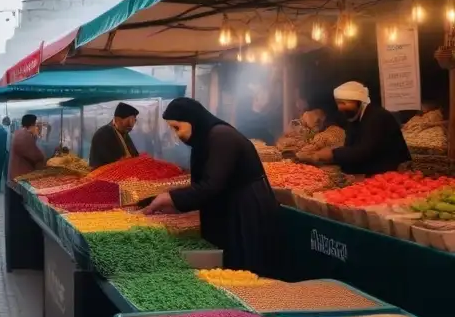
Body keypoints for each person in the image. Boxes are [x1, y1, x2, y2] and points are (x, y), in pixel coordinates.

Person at [143, 98, 278, 275]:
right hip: (231, 202)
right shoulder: (205, 139)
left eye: (177, 127)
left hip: (245, 207)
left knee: (244, 264)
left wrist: (171, 197)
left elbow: (211, 185)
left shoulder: (222, 136)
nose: (177, 135)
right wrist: (178, 205)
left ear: (192, 119)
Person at [307, 81, 411, 175]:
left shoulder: (377, 117)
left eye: (343, 103)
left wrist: (333, 154)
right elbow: (351, 147)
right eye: (338, 103)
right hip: (369, 169)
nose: (340, 108)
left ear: (358, 102)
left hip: (389, 173)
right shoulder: (354, 117)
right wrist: (330, 158)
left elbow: (364, 151)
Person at [89, 103, 140, 167]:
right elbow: (111, 161)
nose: (131, 126)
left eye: (134, 121)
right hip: (104, 174)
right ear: (117, 119)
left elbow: (134, 154)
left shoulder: (123, 131)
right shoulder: (103, 133)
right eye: (128, 122)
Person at [8, 114, 46, 179]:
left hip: (20, 174)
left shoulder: (21, 133)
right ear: (32, 124)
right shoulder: (23, 135)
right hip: (20, 176)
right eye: (36, 125)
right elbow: (36, 156)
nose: (38, 127)